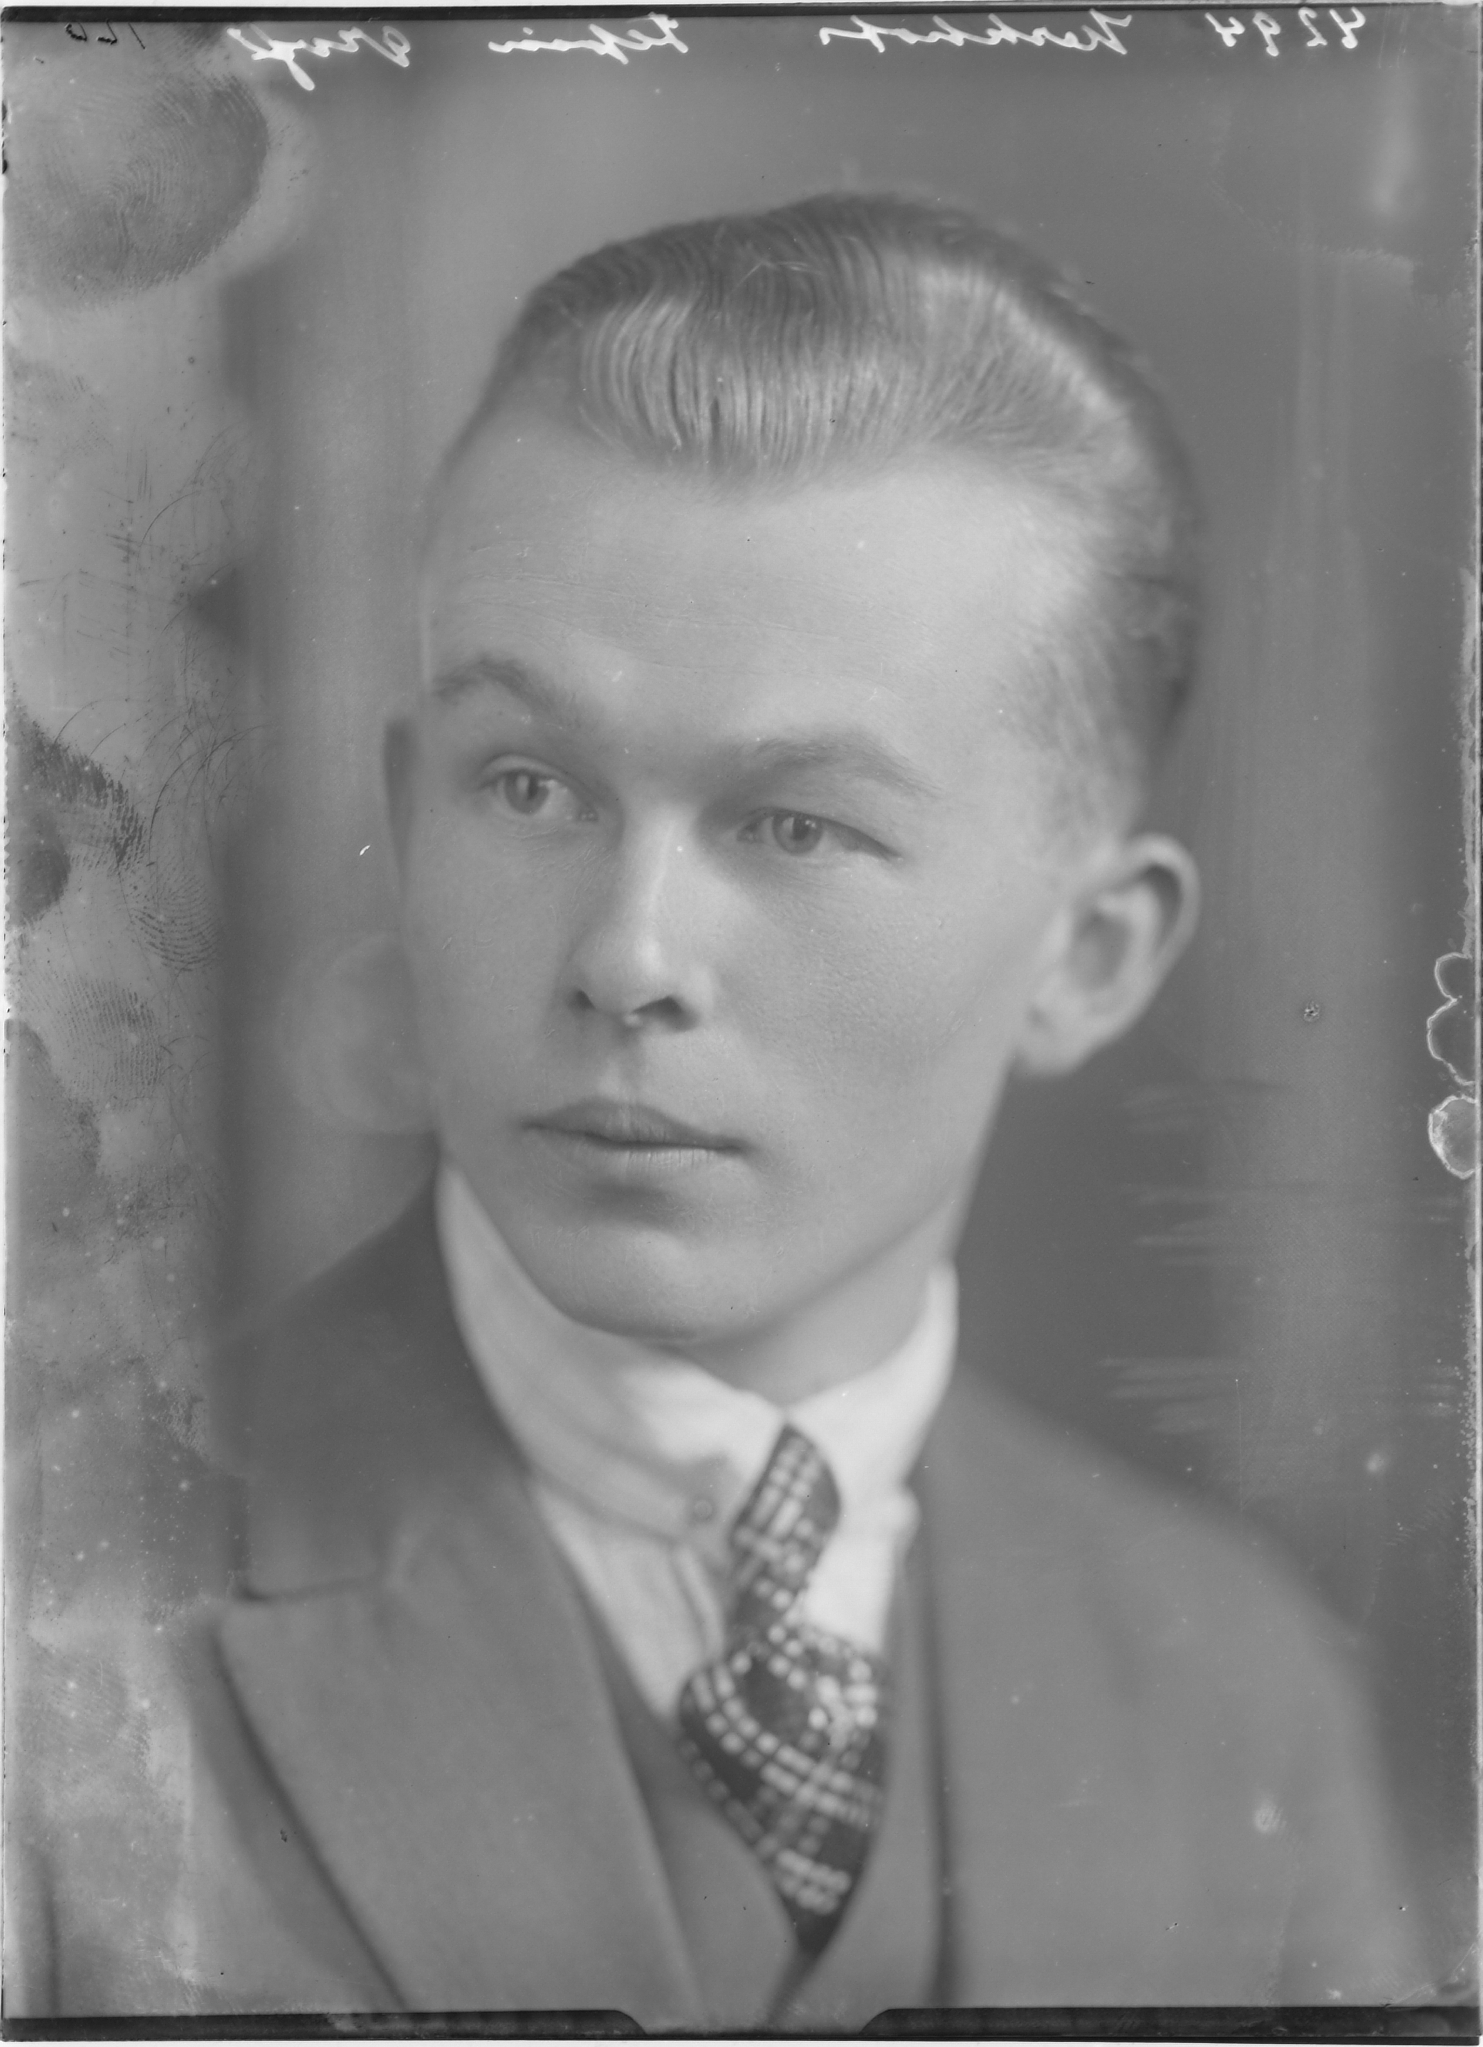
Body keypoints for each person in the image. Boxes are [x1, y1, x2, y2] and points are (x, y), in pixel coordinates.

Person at [11, 193, 1423, 2022]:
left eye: (796, 824)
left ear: (1093, 956)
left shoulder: (1237, 1690)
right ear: (407, 813)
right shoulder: (58, 1611)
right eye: (529, 786)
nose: (628, 955)